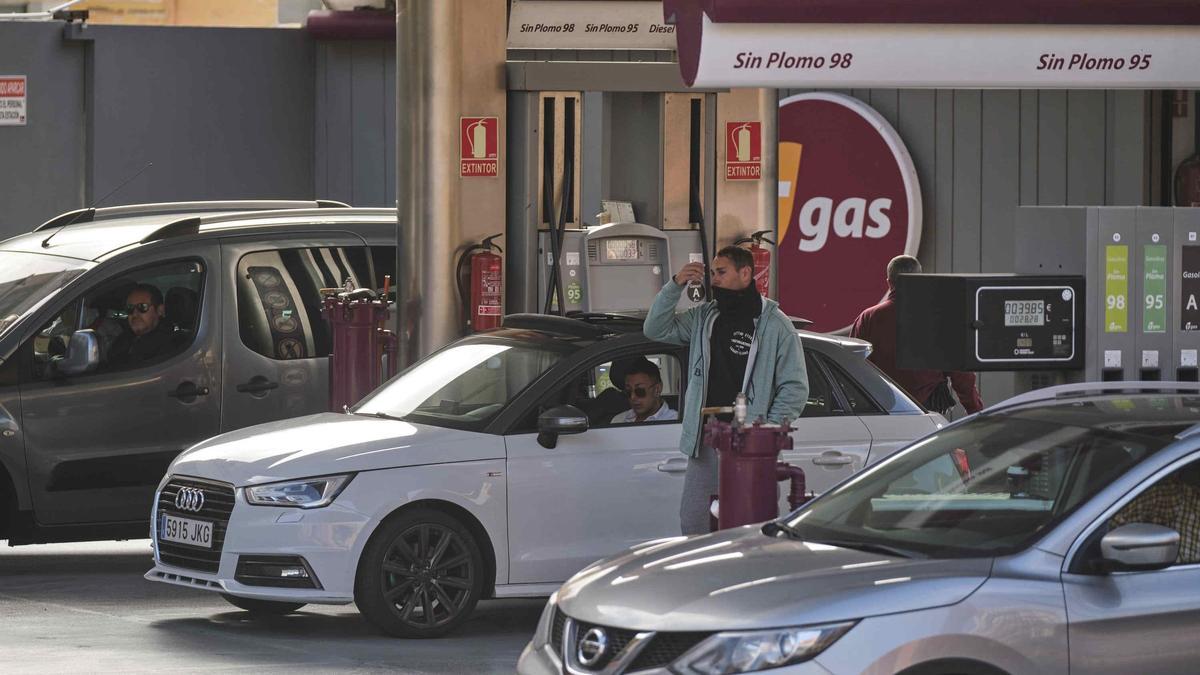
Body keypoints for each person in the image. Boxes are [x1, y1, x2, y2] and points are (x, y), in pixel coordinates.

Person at [645, 245, 809, 535]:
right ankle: (701, 579)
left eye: (721, 272)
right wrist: (675, 285)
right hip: (707, 434)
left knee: (749, 524)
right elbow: (655, 329)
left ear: (745, 273)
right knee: (694, 522)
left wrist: (763, 431)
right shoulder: (705, 317)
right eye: (712, 273)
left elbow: (795, 388)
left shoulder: (776, 325)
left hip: (749, 442)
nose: (714, 279)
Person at [849, 255, 983, 414]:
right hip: (927, 413)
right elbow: (962, 377)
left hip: (879, 411)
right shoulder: (942, 318)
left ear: (889, 283)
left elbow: (852, 366)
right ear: (920, 280)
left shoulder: (868, 318)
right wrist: (976, 411)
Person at [109, 283, 175, 366]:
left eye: (142, 307)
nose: (135, 314)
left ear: (160, 310)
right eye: (130, 308)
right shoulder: (123, 339)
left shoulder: (171, 348)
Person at [610, 357, 678, 424]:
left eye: (640, 391)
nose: (632, 397)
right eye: (628, 391)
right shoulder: (618, 420)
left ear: (657, 389)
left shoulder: (674, 421)